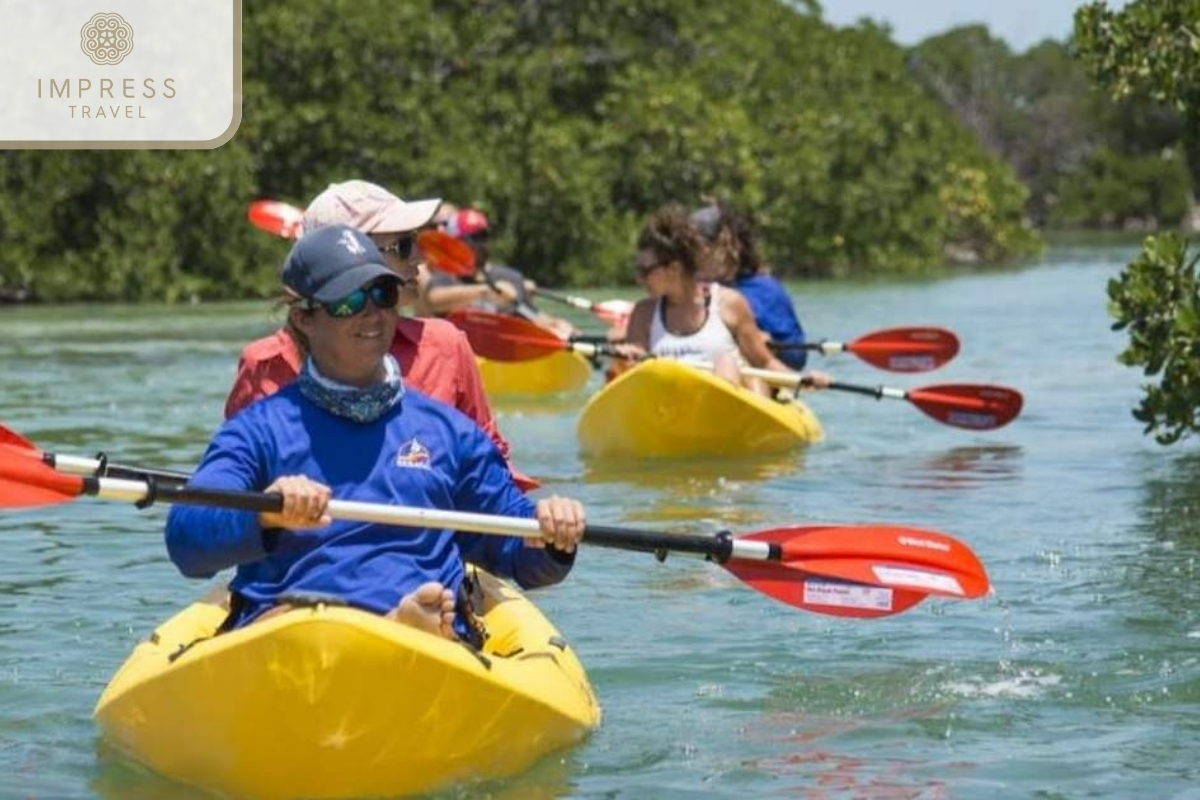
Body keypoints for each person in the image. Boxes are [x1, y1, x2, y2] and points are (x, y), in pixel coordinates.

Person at [167, 225, 586, 639]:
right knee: (289, 620)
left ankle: (402, 629)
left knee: (415, 617)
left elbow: (515, 551)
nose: (372, 313)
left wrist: (551, 535)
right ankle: (385, 628)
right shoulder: (258, 431)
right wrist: (264, 512)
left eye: (383, 295)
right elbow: (187, 539)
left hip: (423, 637)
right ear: (304, 318)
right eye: (349, 301)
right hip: (290, 632)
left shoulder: (448, 432)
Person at [224, 180, 537, 491]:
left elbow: (493, 466)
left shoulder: (445, 346)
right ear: (349, 254)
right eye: (402, 246)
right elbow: (234, 487)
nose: (419, 258)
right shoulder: (264, 363)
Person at [619, 205, 827, 397]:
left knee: (726, 362)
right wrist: (627, 356)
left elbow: (765, 362)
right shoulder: (643, 314)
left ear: (674, 269)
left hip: (722, 407)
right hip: (669, 408)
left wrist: (802, 380)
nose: (639, 278)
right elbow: (636, 364)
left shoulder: (730, 303)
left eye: (646, 271)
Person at [423, 208, 576, 339]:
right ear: (455, 243)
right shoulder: (445, 275)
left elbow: (531, 316)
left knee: (560, 328)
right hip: (463, 354)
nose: (480, 245)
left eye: (484, 236)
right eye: (473, 238)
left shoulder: (510, 277)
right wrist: (487, 291)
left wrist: (555, 325)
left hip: (503, 357)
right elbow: (433, 301)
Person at [691, 201, 809, 370]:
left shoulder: (765, 291)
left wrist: (773, 348)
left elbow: (797, 357)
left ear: (725, 247)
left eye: (696, 247)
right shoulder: (682, 293)